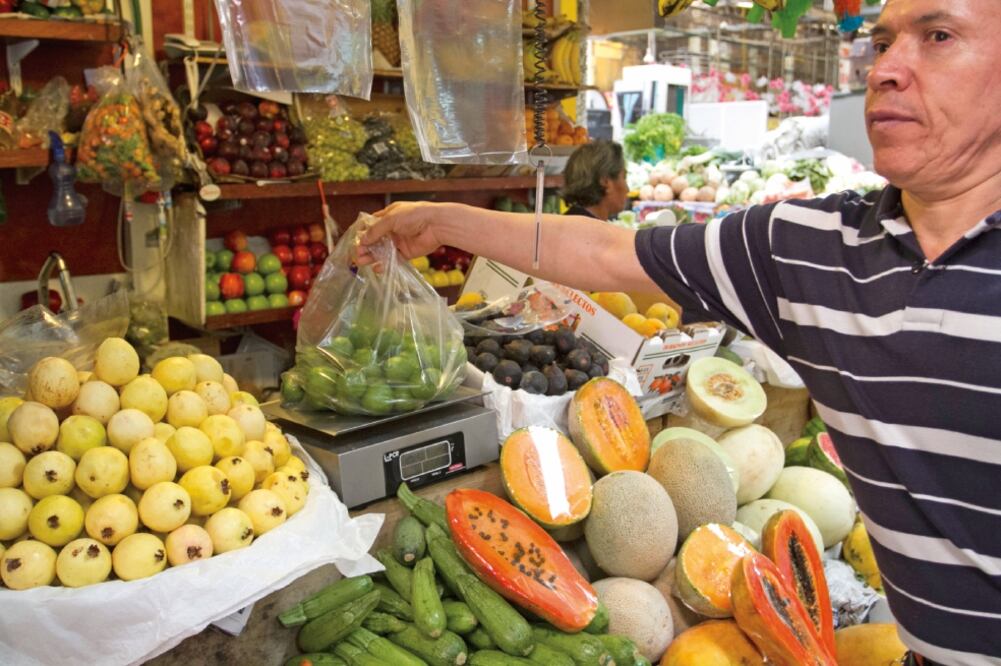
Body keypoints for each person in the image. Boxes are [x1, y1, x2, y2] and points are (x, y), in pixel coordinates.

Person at [359, 1, 1001, 663]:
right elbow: (612, 255)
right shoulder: (805, 248)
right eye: (883, 41)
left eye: (938, 36)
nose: (886, 70)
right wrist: (443, 221)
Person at [560, 140, 630, 220]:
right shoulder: (590, 230)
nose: (627, 189)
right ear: (605, 181)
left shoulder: (565, 223)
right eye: (624, 177)